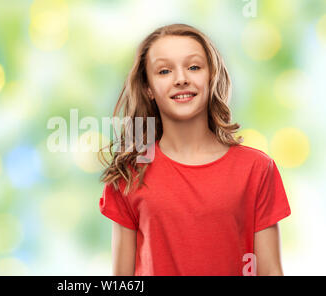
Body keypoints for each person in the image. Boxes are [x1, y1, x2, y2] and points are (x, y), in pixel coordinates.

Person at [98, 23, 291, 276]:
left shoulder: (256, 169)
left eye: (194, 67)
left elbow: (270, 272)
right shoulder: (130, 173)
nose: (181, 79)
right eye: (165, 71)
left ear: (211, 77)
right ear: (148, 88)